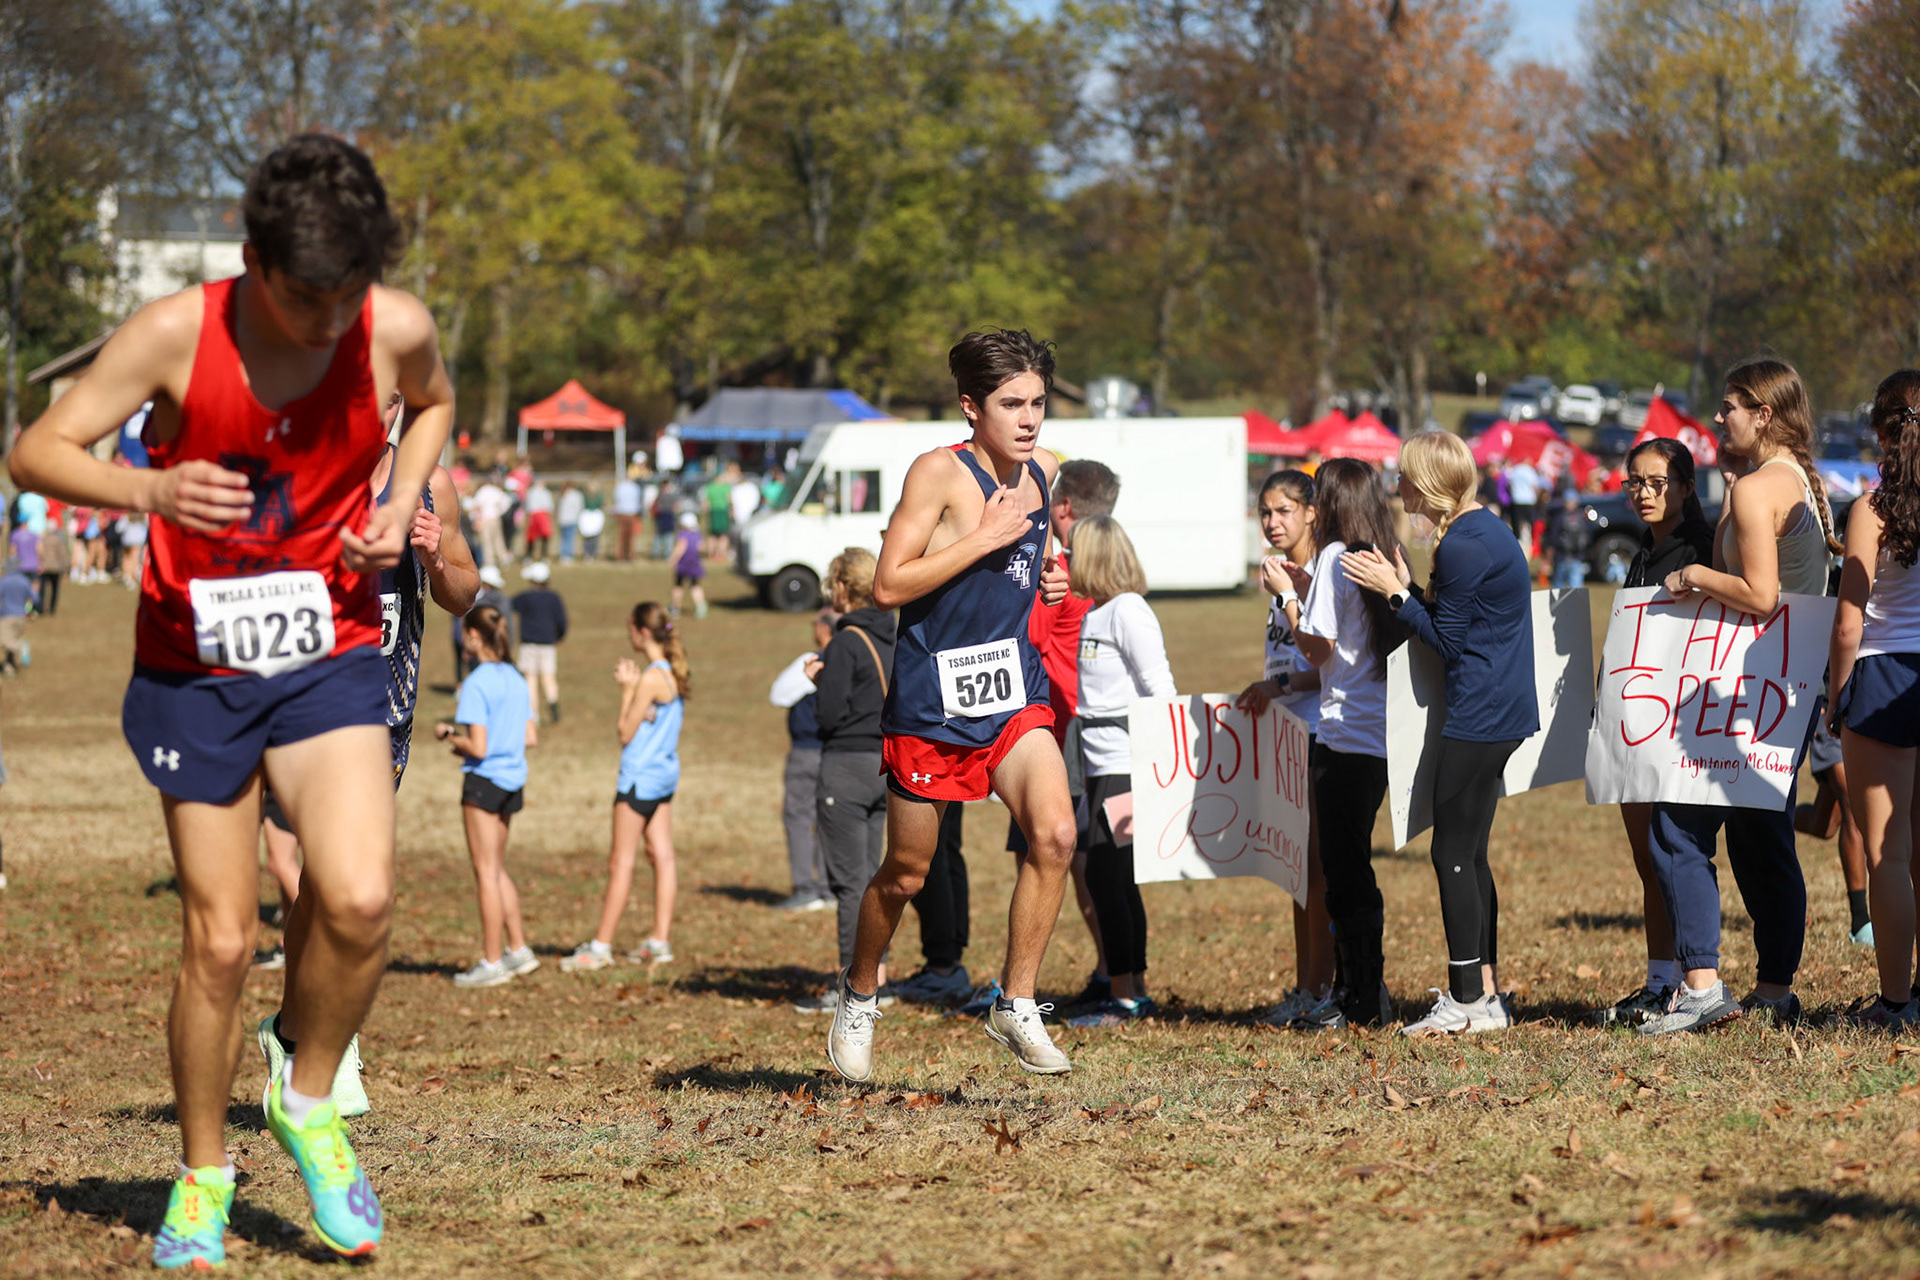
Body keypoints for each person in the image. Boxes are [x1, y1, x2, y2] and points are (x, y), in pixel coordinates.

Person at [7, 133, 452, 1267]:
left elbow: (435, 407)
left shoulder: (389, 324)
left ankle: (306, 1101)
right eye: (306, 297)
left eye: (346, 294)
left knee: (357, 900)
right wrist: (148, 484)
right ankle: (203, 1173)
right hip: (195, 662)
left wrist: (400, 502)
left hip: (330, 644)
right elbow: (38, 450)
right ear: (254, 260)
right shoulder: (172, 333)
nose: (326, 319)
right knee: (217, 941)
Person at [826, 328, 1075, 1082]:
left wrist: (1049, 578)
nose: (1029, 419)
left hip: (1011, 690)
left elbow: (1032, 562)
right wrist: (984, 537)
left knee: (1057, 835)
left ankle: (1017, 1002)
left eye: (1038, 402)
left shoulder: (1048, 472)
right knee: (906, 871)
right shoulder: (938, 473)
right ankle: (860, 995)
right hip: (933, 702)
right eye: (1011, 405)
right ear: (972, 407)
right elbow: (889, 586)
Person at [256, 417, 482, 1110]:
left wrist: (438, 557)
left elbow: (466, 592)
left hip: (390, 718)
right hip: (309, 709)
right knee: (338, 876)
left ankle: (293, 1030)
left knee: (330, 887)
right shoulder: (297, 476)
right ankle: (328, 1035)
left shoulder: (428, 484)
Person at [1641, 357, 1838, 1035]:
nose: (1718, 417)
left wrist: (1695, 571)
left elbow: (1759, 596)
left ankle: (1700, 988)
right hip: (1784, 689)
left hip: (1747, 689)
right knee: (1762, 840)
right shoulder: (1801, 483)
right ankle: (1774, 990)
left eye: (1728, 407)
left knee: (1675, 827)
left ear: (1763, 415)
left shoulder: (1758, 490)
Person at [1345, 432, 1537, 1035]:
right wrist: (1415, 587)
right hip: (1500, 708)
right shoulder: (1482, 529)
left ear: (1427, 483)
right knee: (1471, 852)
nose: (1395, 488)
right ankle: (1486, 994)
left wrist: (1395, 594)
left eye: (1402, 477)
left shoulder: (1462, 545)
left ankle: (1465, 999)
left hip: (1481, 713)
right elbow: (1464, 617)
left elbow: (1449, 643)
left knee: (1451, 853)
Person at [1583, 438, 1718, 1026]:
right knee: (1646, 858)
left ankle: (1693, 982)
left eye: (1655, 482)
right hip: (1633, 722)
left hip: (1680, 727)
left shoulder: (1704, 549)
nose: (1642, 492)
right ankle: (1658, 980)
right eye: (1632, 482)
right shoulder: (1646, 547)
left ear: (1686, 486)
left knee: (1670, 854)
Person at [1281, 458, 1403, 1031]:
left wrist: (1287, 598)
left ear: (1327, 503)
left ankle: (1357, 998)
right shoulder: (1385, 552)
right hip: (1383, 732)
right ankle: (1360, 992)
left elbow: (1317, 650)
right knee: (1354, 864)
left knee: (1344, 872)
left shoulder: (1332, 555)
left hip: (1343, 732)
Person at [1004, 457, 1120, 1014]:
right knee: (1068, 858)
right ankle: (1107, 970)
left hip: (1056, 726)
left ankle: (1109, 972)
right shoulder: (1092, 568)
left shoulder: (1062, 572)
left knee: (1064, 856)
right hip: (1059, 724)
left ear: (1064, 507)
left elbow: (1032, 634)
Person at [1830, 369, 1920, 1028]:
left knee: (1887, 850)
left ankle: (1894, 1003)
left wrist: (1836, 695)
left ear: (1879, 432)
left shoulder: (1871, 508)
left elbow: (1849, 621)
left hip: (1883, 675)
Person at [1063, 516, 1175, 1028]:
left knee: (1111, 877)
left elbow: (1160, 689)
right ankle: (1131, 989)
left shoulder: (1129, 611)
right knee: (1110, 878)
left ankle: (1126, 997)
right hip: (1097, 761)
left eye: (1072, 550)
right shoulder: (1096, 612)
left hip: (1125, 765)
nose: (1065, 558)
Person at [1236, 470, 1332, 1025]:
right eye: (1265, 512)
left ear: (1311, 512)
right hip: (1286, 732)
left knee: (1317, 870)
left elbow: (1332, 663)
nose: (1273, 523)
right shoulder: (1280, 576)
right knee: (1298, 871)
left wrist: (1281, 688)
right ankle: (1306, 984)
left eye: (1284, 511)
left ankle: (1325, 986)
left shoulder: (1320, 574)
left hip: (1321, 730)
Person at [795, 549, 899, 1014]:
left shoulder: (844, 644)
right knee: (877, 877)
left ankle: (850, 985)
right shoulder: (894, 638)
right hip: (886, 767)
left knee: (849, 883)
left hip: (846, 771)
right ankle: (880, 976)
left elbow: (830, 715)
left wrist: (820, 681)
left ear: (841, 588)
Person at [562, 602, 689, 971]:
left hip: (638, 780)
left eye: (630, 628)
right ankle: (659, 940)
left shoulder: (651, 677)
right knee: (662, 857)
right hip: (664, 777)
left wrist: (627, 690)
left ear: (642, 632)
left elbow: (625, 732)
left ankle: (600, 947)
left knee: (622, 862)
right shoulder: (674, 671)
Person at [438, 605, 540, 988]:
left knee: (484, 872)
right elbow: (530, 736)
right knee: (496, 868)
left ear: (475, 637)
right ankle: (518, 949)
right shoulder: (515, 678)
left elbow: (477, 747)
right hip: (512, 782)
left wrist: (450, 736)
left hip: (483, 784)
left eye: (465, 633)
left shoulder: (476, 683)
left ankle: (492, 960)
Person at [768, 609, 837, 912]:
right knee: (829, 819)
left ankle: (805, 888)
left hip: (807, 751)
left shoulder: (811, 659)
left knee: (798, 817)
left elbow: (779, 695)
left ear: (823, 629)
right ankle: (828, 887)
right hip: (838, 753)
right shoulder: (854, 658)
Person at [511, 561, 568, 724]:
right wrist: (558, 636)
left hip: (529, 644)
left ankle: (533, 714)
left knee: (530, 679)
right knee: (549, 677)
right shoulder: (554, 598)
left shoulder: (525, 597)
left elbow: (509, 605)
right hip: (548, 644)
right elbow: (561, 621)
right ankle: (553, 703)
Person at [1543, 488, 1591, 589]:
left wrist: (1548, 559)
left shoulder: (1559, 518)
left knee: (1558, 590)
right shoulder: (1582, 518)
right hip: (1575, 558)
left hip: (1563, 558)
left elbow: (1552, 540)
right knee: (1575, 590)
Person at [0, 559, 38, 676]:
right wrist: (29, 608)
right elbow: (35, 598)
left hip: (7, 616)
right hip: (21, 616)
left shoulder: (4, 581)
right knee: (14, 638)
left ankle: (21, 648)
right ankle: (10, 665)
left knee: (4, 641)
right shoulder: (24, 581)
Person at [469, 474, 511, 569]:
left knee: (487, 541)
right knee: (498, 539)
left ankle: (490, 562)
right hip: (495, 518)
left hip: (486, 519)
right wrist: (499, 512)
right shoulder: (496, 491)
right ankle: (503, 559)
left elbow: (477, 507)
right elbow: (506, 502)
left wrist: (477, 519)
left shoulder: (482, 491)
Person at [671, 511, 707, 618]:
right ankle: (701, 607)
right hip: (695, 562)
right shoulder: (698, 535)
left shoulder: (683, 535)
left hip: (683, 564)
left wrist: (674, 558)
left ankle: (676, 608)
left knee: (678, 585)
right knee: (695, 585)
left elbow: (681, 547)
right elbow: (702, 547)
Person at [1504, 458, 1540, 549]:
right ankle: (1529, 544)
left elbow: (1510, 485)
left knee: (1517, 523)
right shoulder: (1530, 471)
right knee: (1529, 523)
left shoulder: (1515, 470)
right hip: (1529, 500)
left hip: (1517, 499)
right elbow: (1535, 486)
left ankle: (1518, 542)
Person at [704, 462, 737, 562]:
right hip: (722, 511)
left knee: (712, 535)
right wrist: (732, 511)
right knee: (723, 535)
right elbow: (730, 500)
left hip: (713, 512)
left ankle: (711, 554)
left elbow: (706, 503)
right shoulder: (725, 487)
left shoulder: (710, 487)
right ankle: (720, 554)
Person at [35, 519, 68, 616]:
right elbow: (62, 554)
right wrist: (65, 567)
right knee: (54, 589)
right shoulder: (58, 540)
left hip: (44, 567)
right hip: (55, 568)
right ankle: (52, 608)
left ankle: (40, 608)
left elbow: (39, 552)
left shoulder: (42, 539)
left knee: (42, 590)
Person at [613, 464, 643, 562]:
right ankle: (629, 556)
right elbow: (638, 501)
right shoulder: (635, 488)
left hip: (621, 513)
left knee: (621, 536)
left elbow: (616, 499)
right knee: (630, 537)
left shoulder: (620, 487)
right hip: (631, 514)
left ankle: (620, 556)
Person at [522, 475, 555, 561]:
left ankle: (544, 555)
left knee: (545, 536)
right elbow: (528, 507)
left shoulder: (546, 493)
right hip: (534, 515)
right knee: (531, 537)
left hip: (543, 515)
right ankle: (529, 556)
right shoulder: (531, 492)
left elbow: (549, 507)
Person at [557, 481, 584, 562]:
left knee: (564, 539)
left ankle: (563, 555)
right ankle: (568, 555)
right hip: (572, 519)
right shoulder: (577, 495)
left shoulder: (563, 495)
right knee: (570, 539)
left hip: (563, 520)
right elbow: (579, 507)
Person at [578, 485, 606, 561]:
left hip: (595, 517)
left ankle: (593, 554)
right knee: (587, 537)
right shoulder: (585, 497)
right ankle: (587, 554)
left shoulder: (599, 496)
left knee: (595, 537)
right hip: (587, 517)